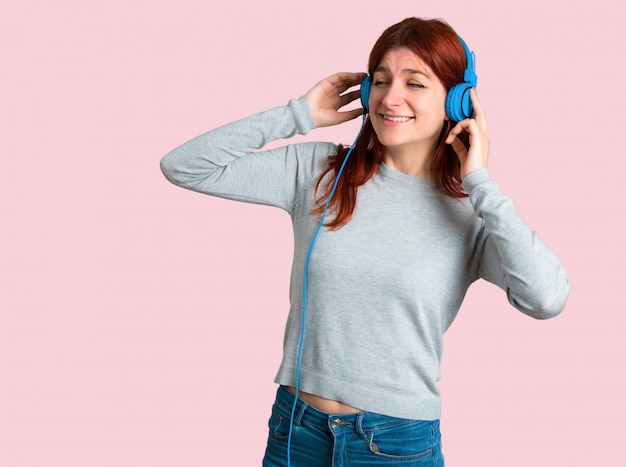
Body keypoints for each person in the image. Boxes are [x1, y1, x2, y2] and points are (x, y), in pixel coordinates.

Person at [160, 16, 569, 467]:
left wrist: (480, 182)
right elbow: (184, 166)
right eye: (380, 80)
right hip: (295, 431)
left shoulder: (472, 213)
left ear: (457, 101)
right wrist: (298, 114)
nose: (391, 98)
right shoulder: (319, 172)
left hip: (395, 444)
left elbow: (546, 297)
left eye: (415, 83)